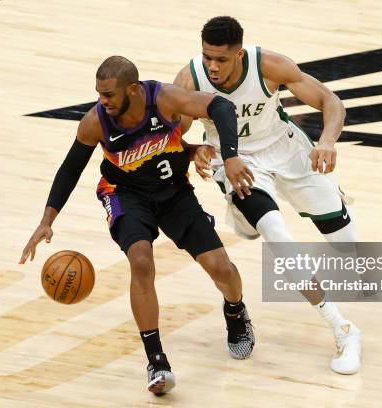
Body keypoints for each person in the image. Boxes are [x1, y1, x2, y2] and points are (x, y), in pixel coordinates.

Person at [19, 56, 256, 395]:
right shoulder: (95, 122)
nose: (103, 101)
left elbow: (219, 105)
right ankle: (156, 360)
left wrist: (226, 155)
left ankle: (235, 311)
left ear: (132, 89)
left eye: (109, 95)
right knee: (141, 261)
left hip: (174, 192)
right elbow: (70, 168)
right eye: (99, 94)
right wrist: (47, 220)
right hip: (125, 195)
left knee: (221, 268)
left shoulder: (165, 99)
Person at [174, 16, 362, 374]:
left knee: (349, 248)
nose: (212, 66)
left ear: (239, 55)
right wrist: (190, 150)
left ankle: (264, 228)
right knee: (277, 235)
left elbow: (330, 101)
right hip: (236, 163)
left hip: (286, 149)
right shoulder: (190, 80)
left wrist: (326, 142)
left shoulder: (269, 66)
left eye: (221, 59)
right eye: (207, 57)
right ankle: (343, 328)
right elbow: (172, 134)